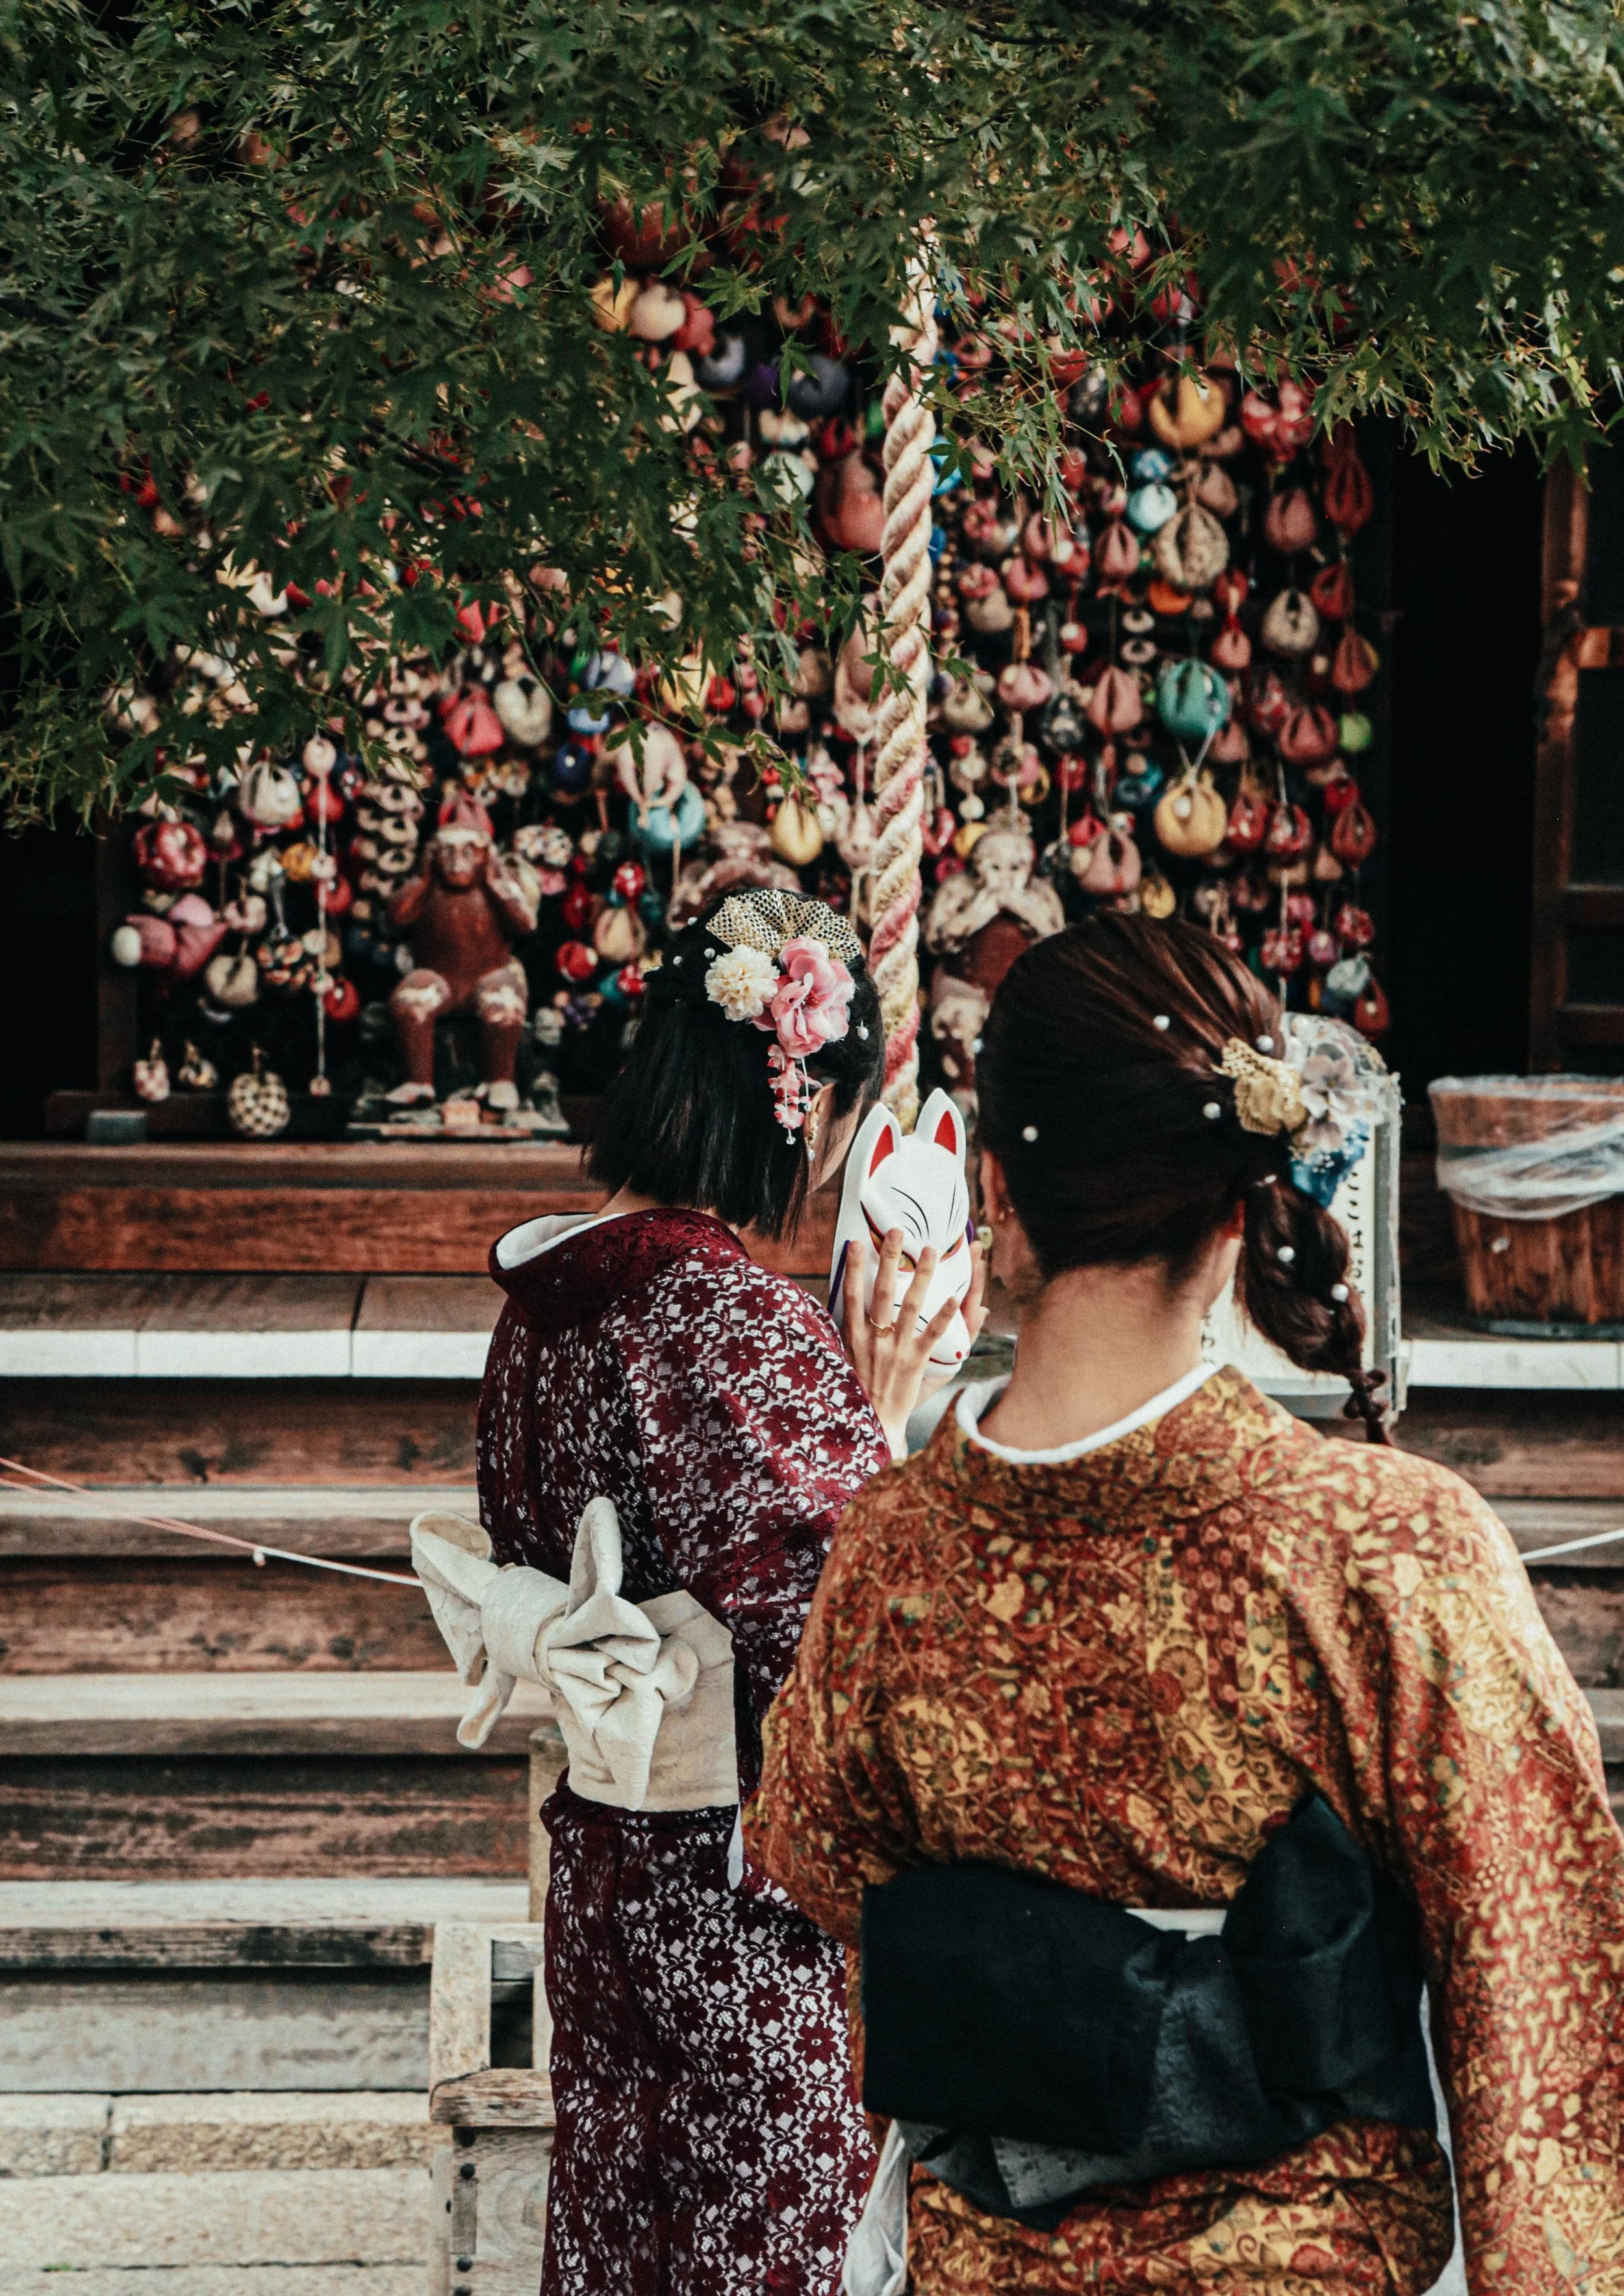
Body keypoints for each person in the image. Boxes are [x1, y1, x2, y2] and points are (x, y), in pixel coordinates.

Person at [749, 913, 1624, 2294]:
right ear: (1240, 1197)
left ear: (991, 1190)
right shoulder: (1382, 1548)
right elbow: (1538, 1987)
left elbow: (804, 1857)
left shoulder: (890, 1551)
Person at [472, 888, 985, 2296]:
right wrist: (877, 1411)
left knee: (618, 2225)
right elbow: (845, 1627)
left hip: (604, 1864)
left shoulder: (540, 1305)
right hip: (742, 1885)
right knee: (766, 2234)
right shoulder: (725, 1316)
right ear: (795, 1100)